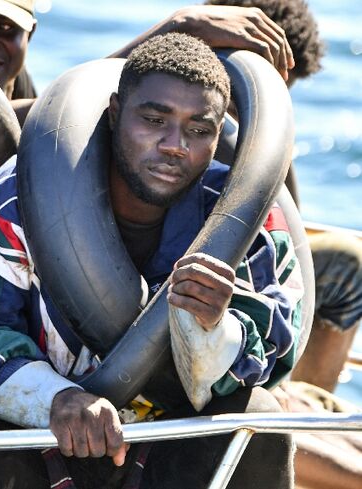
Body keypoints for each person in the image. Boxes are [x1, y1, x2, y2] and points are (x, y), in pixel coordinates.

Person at [0, 33, 301, 488]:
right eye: (155, 120)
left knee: (258, 419)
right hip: (39, 443)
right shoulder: (28, 192)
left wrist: (217, 329)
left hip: (169, 443)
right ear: (116, 112)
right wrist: (55, 399)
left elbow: (278, 343)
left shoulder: (238, 215)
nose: (174, 145)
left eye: (199, 130)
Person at [205, 1, 362, 488]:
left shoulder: (265, 136)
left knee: (346, 266)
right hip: (202, 348)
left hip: (254, 342)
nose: (261, 105)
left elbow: (284, 256)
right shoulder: (171, 131)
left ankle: (300, 396)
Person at [0, 0, 296, 124]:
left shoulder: (21, 83)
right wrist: (179, 27)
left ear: (29, 35)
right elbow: (2, 121)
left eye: (3, 28)